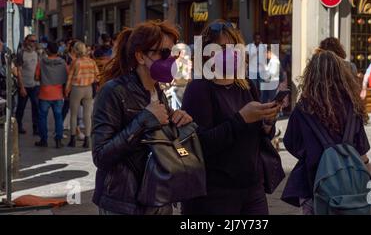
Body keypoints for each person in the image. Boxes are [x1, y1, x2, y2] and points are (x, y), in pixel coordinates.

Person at [181, 20, 281, 215]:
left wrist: (268, 122)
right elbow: (200, 144)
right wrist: (241, 119)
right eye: (222, 48)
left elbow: (259, 137)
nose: (230, 53)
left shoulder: (247, 86)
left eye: (234, 47)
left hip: (252, 190)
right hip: (214, 194)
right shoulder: (199, 89)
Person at [92, 21, 192, 215]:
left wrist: (177, 119)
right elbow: (101, 156)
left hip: (158, 197)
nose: (170, 60)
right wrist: (144, 119)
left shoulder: (157, 91)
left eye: (173, 54)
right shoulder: (113, 92)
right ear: (140, 56)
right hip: (123, 203)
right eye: (164, 53)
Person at [281, 50, 370, 215]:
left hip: (312, 182)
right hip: (349, 188)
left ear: (311, 75)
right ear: (342, 75)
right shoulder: (352, 107)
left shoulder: (303, 108)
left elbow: (291, 143)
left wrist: (311, 152)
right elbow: (363, 154)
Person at [65, 42, 100, 148]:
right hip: (88, 88)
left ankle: (73, 139)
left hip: (77, 89)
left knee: (74, 114)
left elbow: (70, 78)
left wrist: (67, 90)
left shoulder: (76, 62)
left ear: (75, 50)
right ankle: (87, 139)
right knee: (87, 115)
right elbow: (97, 77)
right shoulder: (91, 61)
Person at [34, 42, 68, 148]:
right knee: (58, 117)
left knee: (42, 117)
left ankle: (44, 140)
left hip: (44, 93)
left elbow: (36, 77)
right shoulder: (63, 63)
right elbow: (67, 76)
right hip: (58, 94)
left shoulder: (41, 62)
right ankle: (58, 140)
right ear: (58, 51)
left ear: (47, 51)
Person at [15, 34, 40, 135]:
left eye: (34, 41)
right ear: (26, 41)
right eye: (31, 41)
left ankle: (36, 128)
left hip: (35, 85)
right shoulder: (21, 54)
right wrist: (21, 87)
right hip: (24, 85)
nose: (33, 43)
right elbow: (19, 71)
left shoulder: (37, 53)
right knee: (21, 108)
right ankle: (18, 127)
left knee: (36, 107)